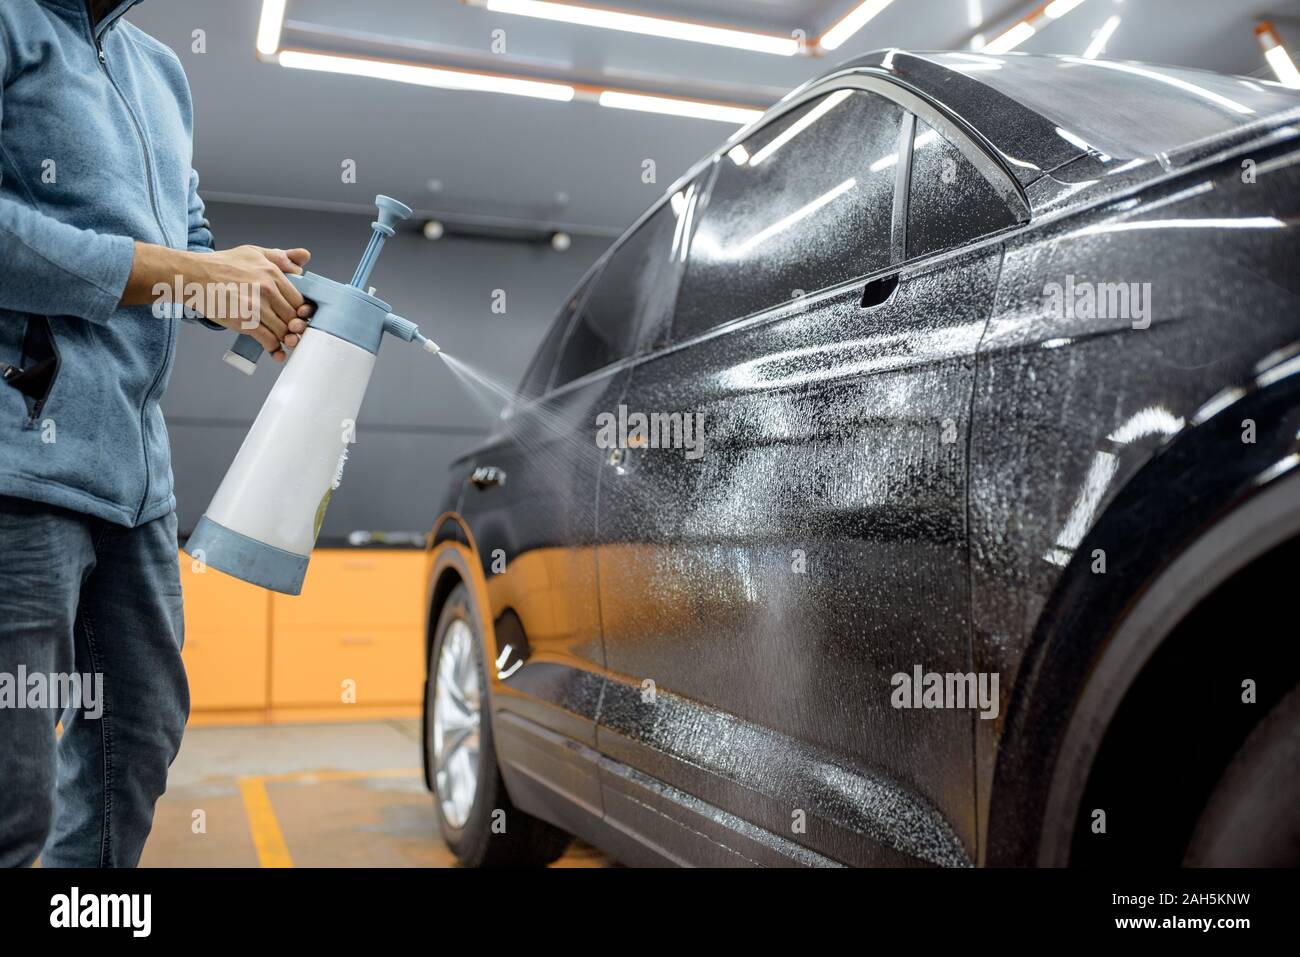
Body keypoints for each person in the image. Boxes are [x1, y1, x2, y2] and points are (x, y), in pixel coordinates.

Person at [0, 0, 311, 866]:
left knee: (132, 744)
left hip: (137, 489)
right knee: (10, 789)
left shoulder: (161, 72)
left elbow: (189, 245)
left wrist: (246, 289)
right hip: (21, 465)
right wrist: (188, 271)